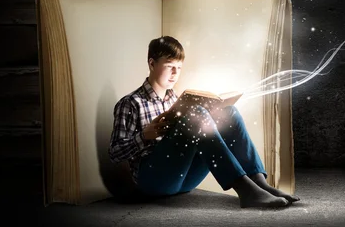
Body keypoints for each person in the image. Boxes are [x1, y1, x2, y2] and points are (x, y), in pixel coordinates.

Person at [108, 36, 299, 208]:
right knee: (196, 114)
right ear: (152, 64)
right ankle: (245, 190)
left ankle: (260, 184)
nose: (175, 73)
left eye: (179, 67)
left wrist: (212, 115)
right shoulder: (131, 103)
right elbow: (114, 153)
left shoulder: (176, 99)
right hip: (153, 180)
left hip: (184, 180)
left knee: (229, 113)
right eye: (169, 66)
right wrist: (144, 136)